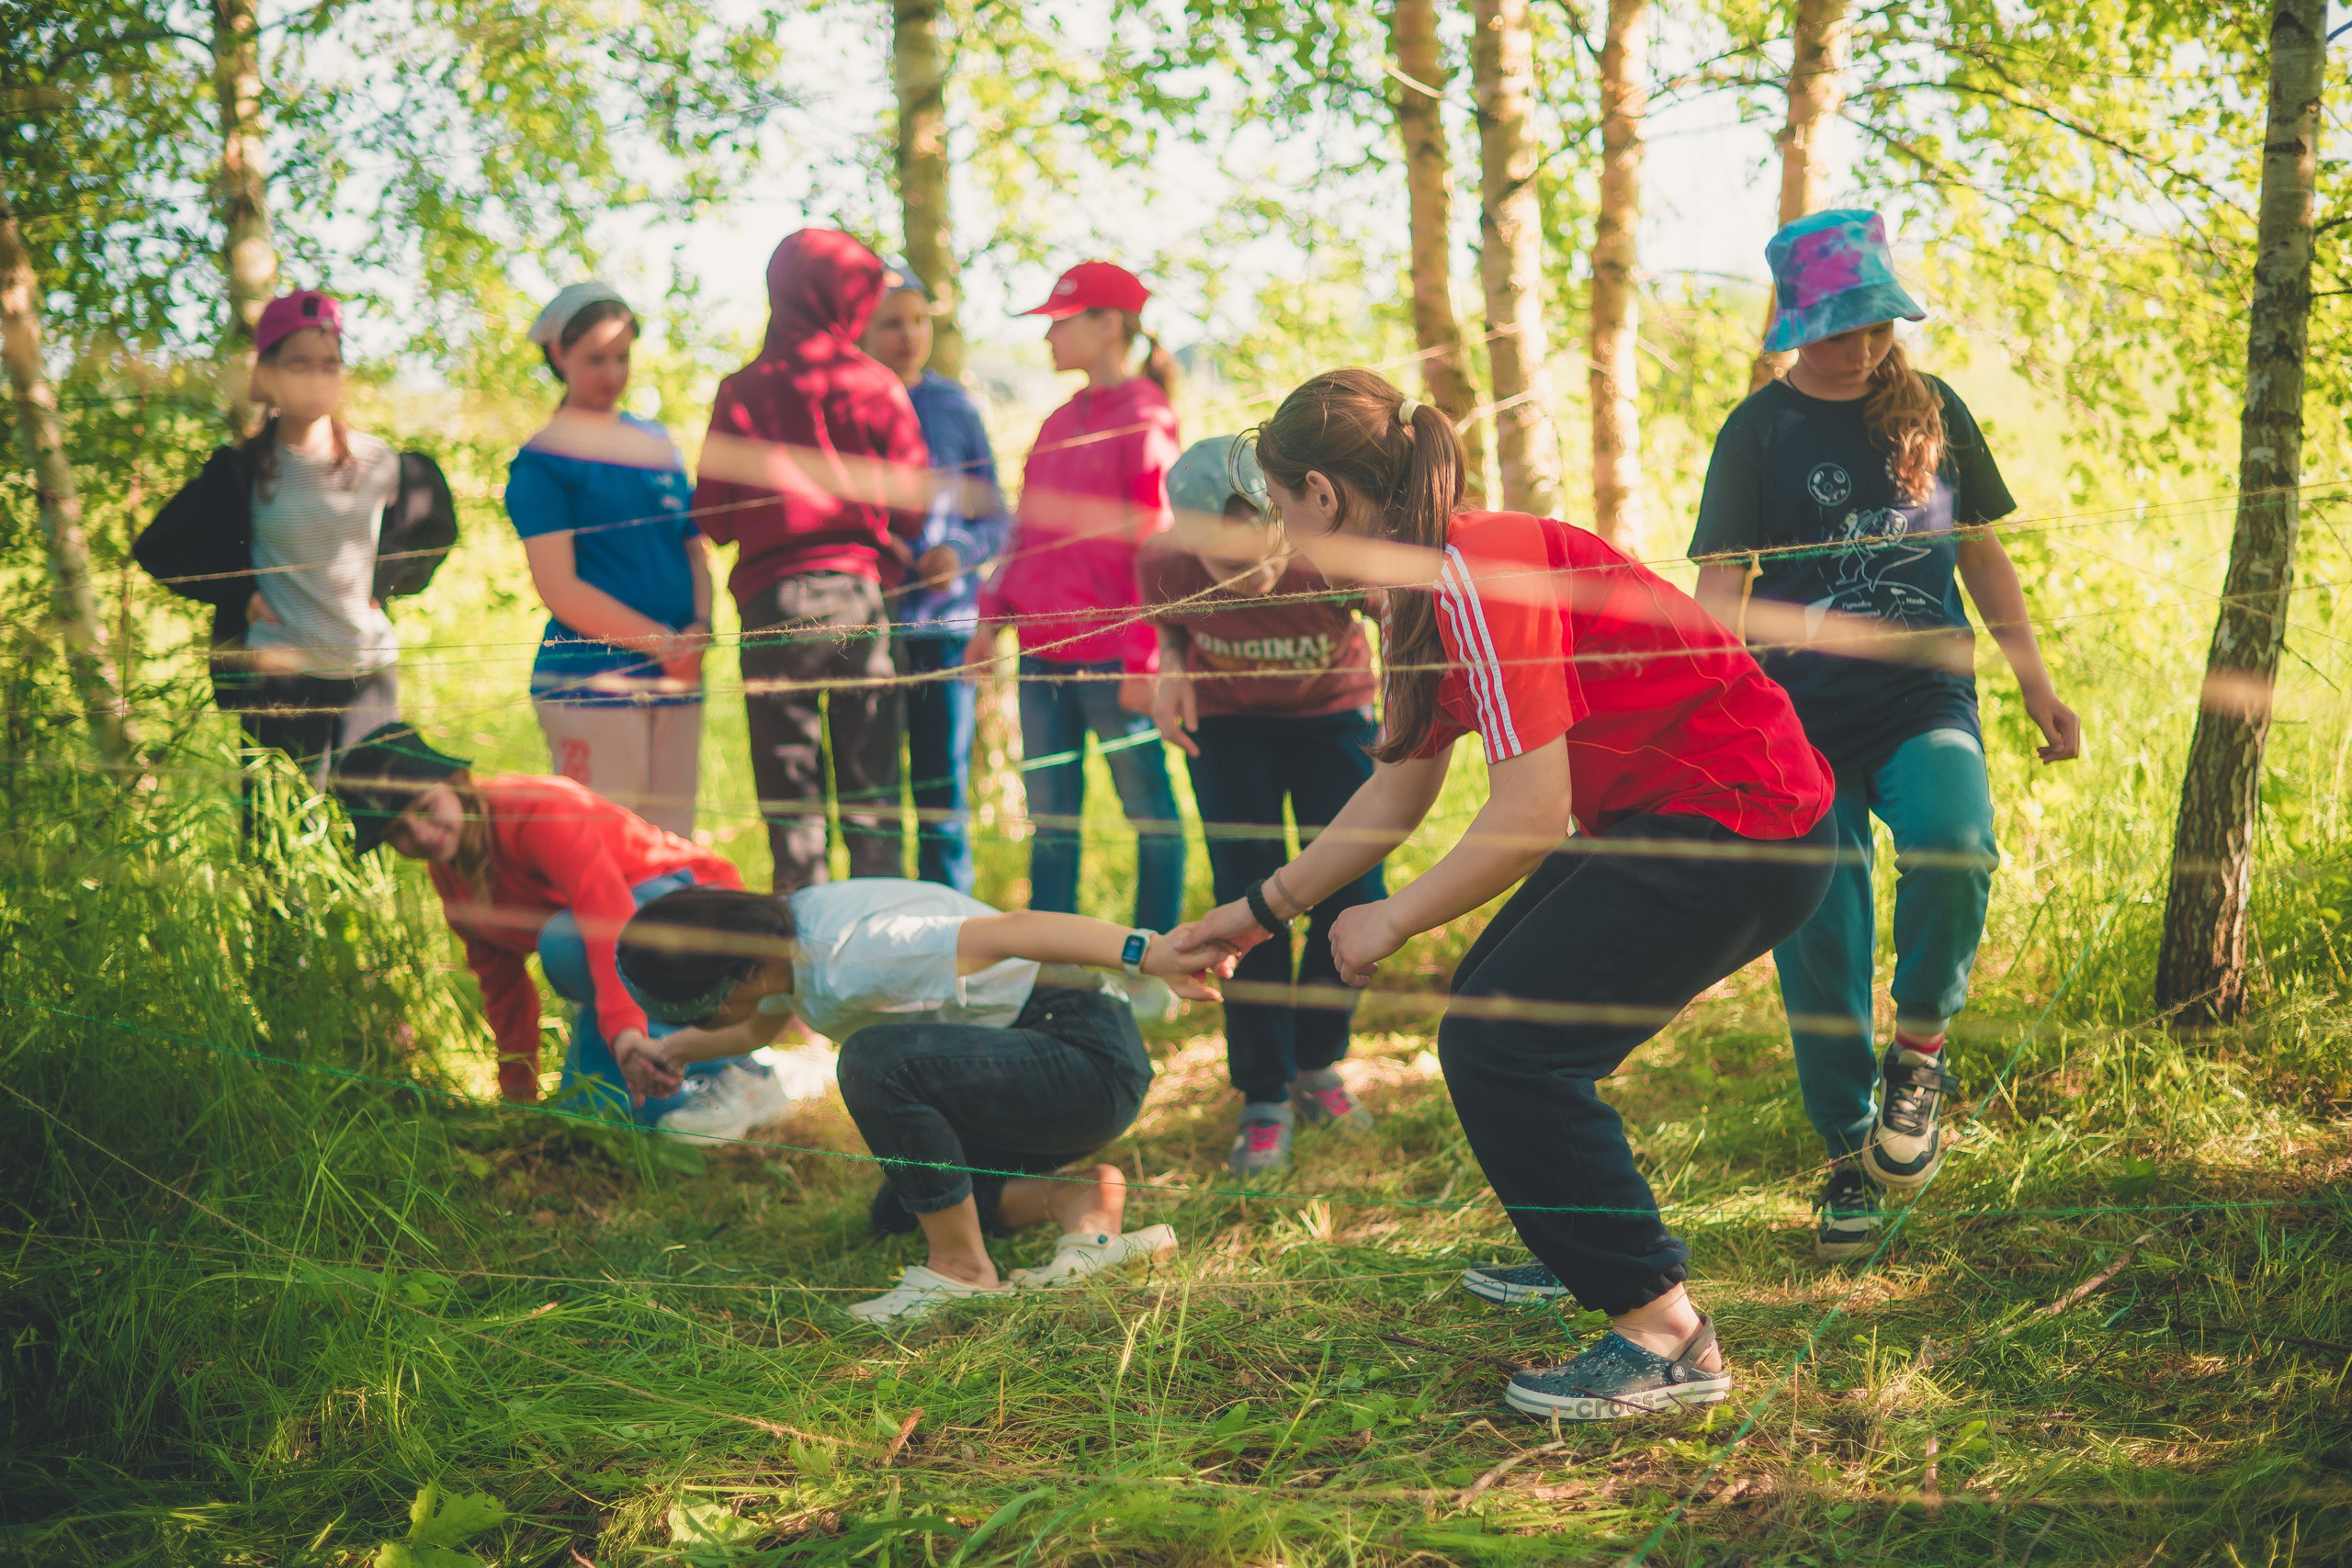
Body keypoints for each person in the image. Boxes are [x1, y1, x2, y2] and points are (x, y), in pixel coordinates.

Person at [1168, 369, 1838, 1423]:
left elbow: (1529, 815)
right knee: (1491, 1005)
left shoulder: (1479, 571)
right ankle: (1591, 1252)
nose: (1291, 544)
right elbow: (1399, 785)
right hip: (1699, 820)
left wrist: (1391, 917)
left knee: (1503, 1042)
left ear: (1324, 496)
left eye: (1288, 514)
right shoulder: (1431, 588)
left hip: (1743, 824)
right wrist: (1261, 913)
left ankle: (1665, 1337)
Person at [1690, 209, 2081, 1259]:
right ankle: (1844, 1154)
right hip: (1795, 717)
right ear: (1792, 324)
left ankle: (1918, 1053)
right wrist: (1711, 707)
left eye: (1873, 326)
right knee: (1821, 924)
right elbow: (1719, 585)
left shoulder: (1932, 408)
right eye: (1836, 329)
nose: (1858, 347)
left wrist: (2035, 684)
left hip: (1924, 699)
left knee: (1956, 846)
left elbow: (1981, 557)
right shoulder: (1757, 431)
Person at [612, 881, 1223, 1324]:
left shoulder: (855, 951)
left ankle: (961, 1270)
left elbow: (1018, 928)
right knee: (905, 1204)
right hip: (1028, 1054)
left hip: (1083, 1058)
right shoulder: (780, 943)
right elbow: (752, 1027)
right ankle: (1080, 1201)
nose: (694, 1020)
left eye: (694, 1009)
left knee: (874, 1061)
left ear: (738, 976)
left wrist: (1151, 952)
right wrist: (674, 1050)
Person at [327, 722, 789, 1137]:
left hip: (683, 901)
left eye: (426, 809)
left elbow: (606, 916)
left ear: (454, 784)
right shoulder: (451, 879)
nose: (422, 836)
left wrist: (626, 1031)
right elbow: (503, 989)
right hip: (612, 947)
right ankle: (686, 1086)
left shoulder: (531, 812)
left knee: (563, 943)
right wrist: (518, 1097)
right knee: (590, 1118)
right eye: (400, 834)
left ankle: (743, 1070)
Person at [1143, 435, 1384, 1172]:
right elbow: (1172, 624)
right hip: (1230, 727)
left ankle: (1316, 1062)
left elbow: (1400, 621)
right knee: (1247, 905)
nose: (1245, 579)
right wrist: (1172, 668)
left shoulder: (1329, 554)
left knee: (1351, 894)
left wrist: (1405, 713)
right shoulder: (1165, 561)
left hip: (1333, 720)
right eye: (1224, 566)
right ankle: (1263, 1091)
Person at [134, 289, 456, 788]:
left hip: (365, 673)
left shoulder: (382, 464)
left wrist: (383, 583)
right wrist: (242, 595)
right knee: (277, 831)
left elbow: (432, 530)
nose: (316, 377)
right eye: (299, 363)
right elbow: (161, 548)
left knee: (369, 820)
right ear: (268, 374)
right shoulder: (239, 470)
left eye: (329, 364)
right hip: (278, 677)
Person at [691, 230, 929, 891]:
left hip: (772, 608)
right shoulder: (875, 385)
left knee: (789, 794)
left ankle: (804, 961)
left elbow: (711, 519)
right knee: (873, 787)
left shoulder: (741, 389)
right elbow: (913, 504)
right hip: (858, 599)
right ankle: (885, 954)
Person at [967, 262, 1184, 948]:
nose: (1049, 339)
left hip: (1113, 664)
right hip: (1041, 659)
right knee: (1052, 820)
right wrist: (990, 621)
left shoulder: (1147, 420)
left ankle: (1158, 962)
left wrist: (1145, 658)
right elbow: (1024, 532)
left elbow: (1158, 550)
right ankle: (1052, 964)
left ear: (1107, 325)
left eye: (1060, 323)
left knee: (1150, 813)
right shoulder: (1059, 421)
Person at [507, 281, 712, 837]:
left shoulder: (655, 444)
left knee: (673, 846)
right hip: (589, 685)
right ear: (558, 356)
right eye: (596, 359)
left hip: (676, 677)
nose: (613, 373)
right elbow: (560, 588)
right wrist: (665, 645)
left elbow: (692, 548)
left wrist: (699, 629)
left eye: (622, 357)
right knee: (605, 850)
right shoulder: (544, 461)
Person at [859, 259, 1012, 893]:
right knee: (872, 799)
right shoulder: (848, 404)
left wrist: (957, 550)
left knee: (943, 798)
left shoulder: (953, 406)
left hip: (946, 629)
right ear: (861, 331)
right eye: (891, 322)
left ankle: (954, 936)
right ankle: (878, 933)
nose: (908, 335)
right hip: (867, 628)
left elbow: (996, 514)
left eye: (919, 319)